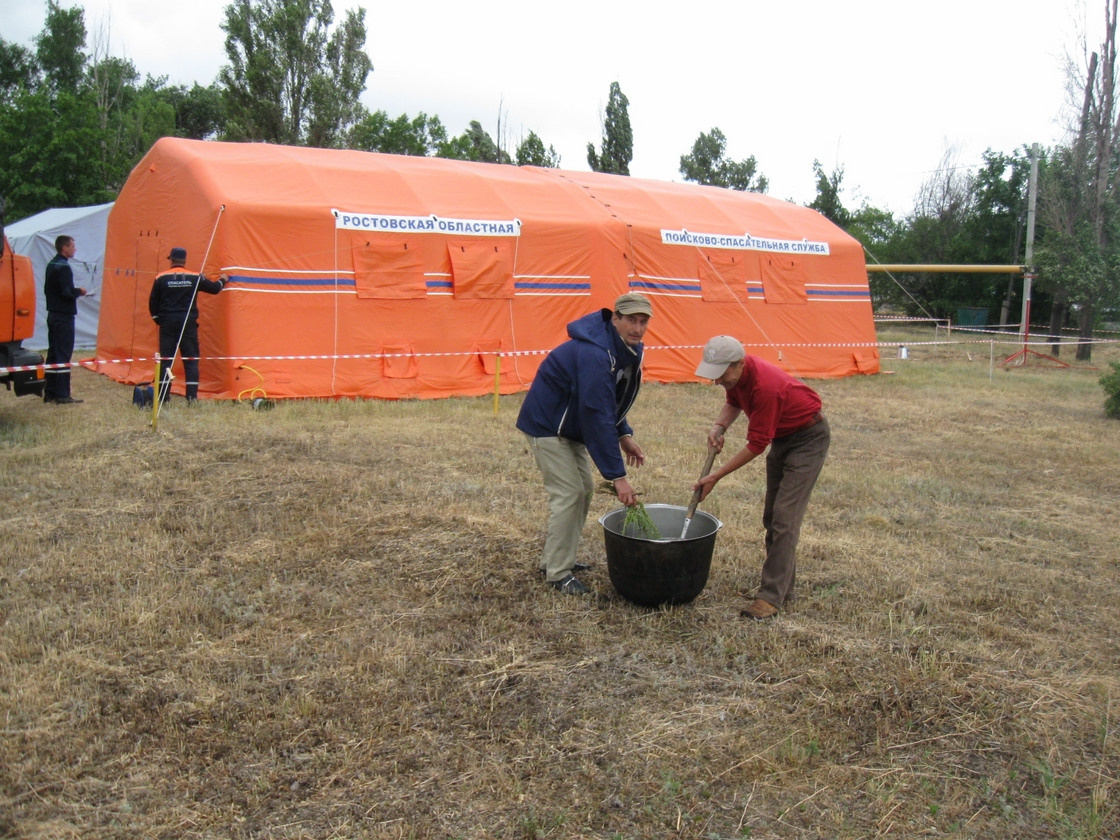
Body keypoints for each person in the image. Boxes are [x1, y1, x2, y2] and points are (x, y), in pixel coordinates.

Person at [517, 293, 653, 595]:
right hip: (547, 425)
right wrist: (618, 477)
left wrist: (624, 434)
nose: (638, 328)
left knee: (584, 490)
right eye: (631, 320)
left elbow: (613, 398)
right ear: (614, 317)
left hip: (570, 426)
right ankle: (557, 573)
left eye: (643, 322)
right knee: (569, 493)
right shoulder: (595, 353)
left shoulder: (626, 349)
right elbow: (596, 413)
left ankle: (557, 558)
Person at [693, 336, 830, 620]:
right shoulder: (738, 377)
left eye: (722, 374)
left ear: (739, 363)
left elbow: (757, 444)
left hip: (807, 439)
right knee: (772, 516)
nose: (717, 381)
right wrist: (719, 425)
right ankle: (784, 588)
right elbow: (734, 401)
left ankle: (770, 596)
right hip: (783, 437)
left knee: (784, 518)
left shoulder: (765, 387)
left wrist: (716, 476)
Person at [149, 247, 228, 404]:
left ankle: (163, 397)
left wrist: (159, 320)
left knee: (166, 360)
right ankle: (191, 398)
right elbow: (215, 289)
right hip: (188, 325)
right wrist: (224, 279)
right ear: (184, 261)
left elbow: (153, 304)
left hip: (168, 325)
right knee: (191, 360)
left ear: (171, 260)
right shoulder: (195, 277)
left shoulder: (161, 278)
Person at [43, 235, 88, 404]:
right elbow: (67, 292)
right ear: (65, 248)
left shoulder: (51, 265)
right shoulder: (64, 267)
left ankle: (50, 391)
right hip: (63, 316)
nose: (75, 249)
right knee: (63, 354)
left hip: (53, 314)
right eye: (73, 246)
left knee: (53, 353)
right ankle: (62, 394)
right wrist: (80, 291)